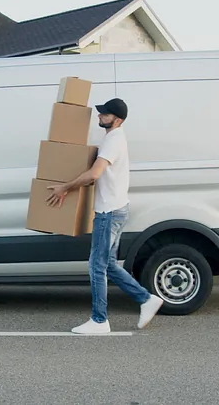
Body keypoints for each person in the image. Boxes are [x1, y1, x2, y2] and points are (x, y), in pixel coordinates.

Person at [45, 97, 164, 334]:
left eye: (105, 114)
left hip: (109, 212)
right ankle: (146, 299)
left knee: (96, 266)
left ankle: (99, 320)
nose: (99, 116)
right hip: (117, 208)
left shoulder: (113, 140)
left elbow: (93, 175)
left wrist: (64, 188)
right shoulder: (114, 138)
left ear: (117, 119)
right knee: (107, 263)